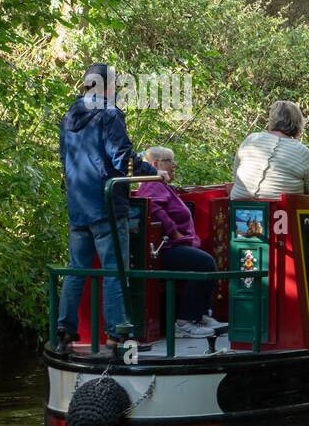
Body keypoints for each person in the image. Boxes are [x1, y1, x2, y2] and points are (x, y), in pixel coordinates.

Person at [55, 63, 152, 352]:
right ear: (106, 86)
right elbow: (123, 159)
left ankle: (64, 330)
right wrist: (152, 169)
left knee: (77, 269)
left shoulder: (69, 117)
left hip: (78, 205)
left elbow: (66, 159)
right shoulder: (109, 114)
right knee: (114, 269)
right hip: (106, 205)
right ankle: (117, 334)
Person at [139, 148, 227, 339]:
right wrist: (174, 231)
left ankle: (200, 315)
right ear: (155, 165)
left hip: (175, 245)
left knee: (205, 260)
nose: (174, 165)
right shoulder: (152, 184)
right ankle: (184, 322)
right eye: (169, 161)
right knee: (204, 263)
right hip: (165, 249)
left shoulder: (163, 185)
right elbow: (152, 206)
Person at [230, 100, 309, 200]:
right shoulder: (302, 152)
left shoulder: (251, 139)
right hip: (281, 212)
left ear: (272, 120)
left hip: (238, 210)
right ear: (298, 123)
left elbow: (236, 174)